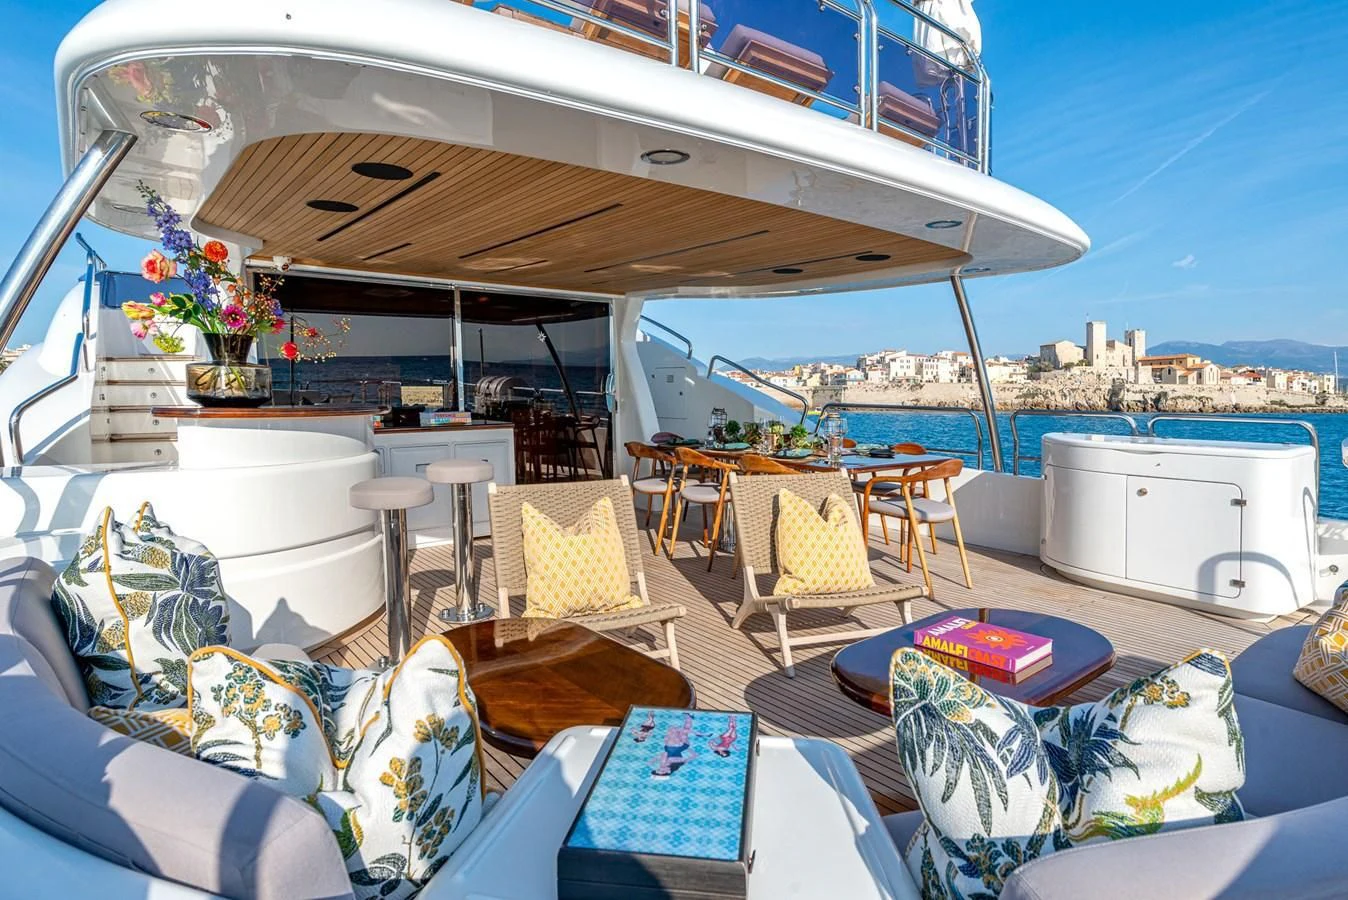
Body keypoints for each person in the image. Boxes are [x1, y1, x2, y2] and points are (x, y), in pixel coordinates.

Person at [651, 713, 696, 777]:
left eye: (658, 770)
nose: (661, 769)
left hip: (671, 746)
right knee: (676, 732)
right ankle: (690, 722)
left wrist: (653, 760)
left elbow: (664, 754)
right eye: (663, 771)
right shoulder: (676, 765)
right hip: (681, 746)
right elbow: (694, 756)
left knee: (679, 732)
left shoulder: (663, 763)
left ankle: (689, 718)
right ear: (668, 771)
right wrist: (689, 750)